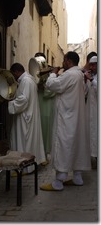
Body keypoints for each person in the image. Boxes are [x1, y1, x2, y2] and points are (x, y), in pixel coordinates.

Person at [40, 51, 91, 191]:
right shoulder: (80, 75)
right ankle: (77, 178)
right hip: (77, 116)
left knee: (64, 145)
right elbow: (85, 91)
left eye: (64, 60)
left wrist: (53, 73)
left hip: (67, 117)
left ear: (68, 61)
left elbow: (52, 85)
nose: (62, 63)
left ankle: (58, 181)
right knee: (77, 146)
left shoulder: (69, 74)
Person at [8, 62, 46, 173]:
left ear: (17, 72)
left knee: (24, 143)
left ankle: (24, 168)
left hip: (25, 118)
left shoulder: (26, 81)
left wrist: (10, 104)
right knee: (28, 143)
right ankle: (28, 166)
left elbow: (23, 100)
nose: (13, 78)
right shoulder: (29, 79)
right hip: (28, 116)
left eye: (13, 74)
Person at [34, 52, 56, 162]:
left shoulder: (50, 72)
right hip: (36, 103)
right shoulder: (33, 70)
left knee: (45, 129)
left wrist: (44, 88)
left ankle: (45, 154)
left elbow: (54, 89)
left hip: (46, 104)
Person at [84, 56, 97, 169]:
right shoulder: (91, 77)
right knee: (93, 135)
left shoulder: (94, 79)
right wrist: (85, 80)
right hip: (91, 112)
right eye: (90, 65)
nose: (92, 67)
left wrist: (92, 80)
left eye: (94, 65)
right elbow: (85, 92)